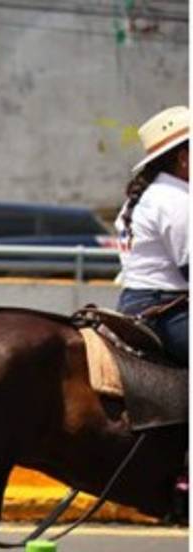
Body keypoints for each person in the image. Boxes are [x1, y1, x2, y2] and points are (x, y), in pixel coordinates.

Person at [114, 104, 189, 366]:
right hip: (168, 314)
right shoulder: (177, 201)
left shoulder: (146, 197)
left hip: (136, 305)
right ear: (184, 159)